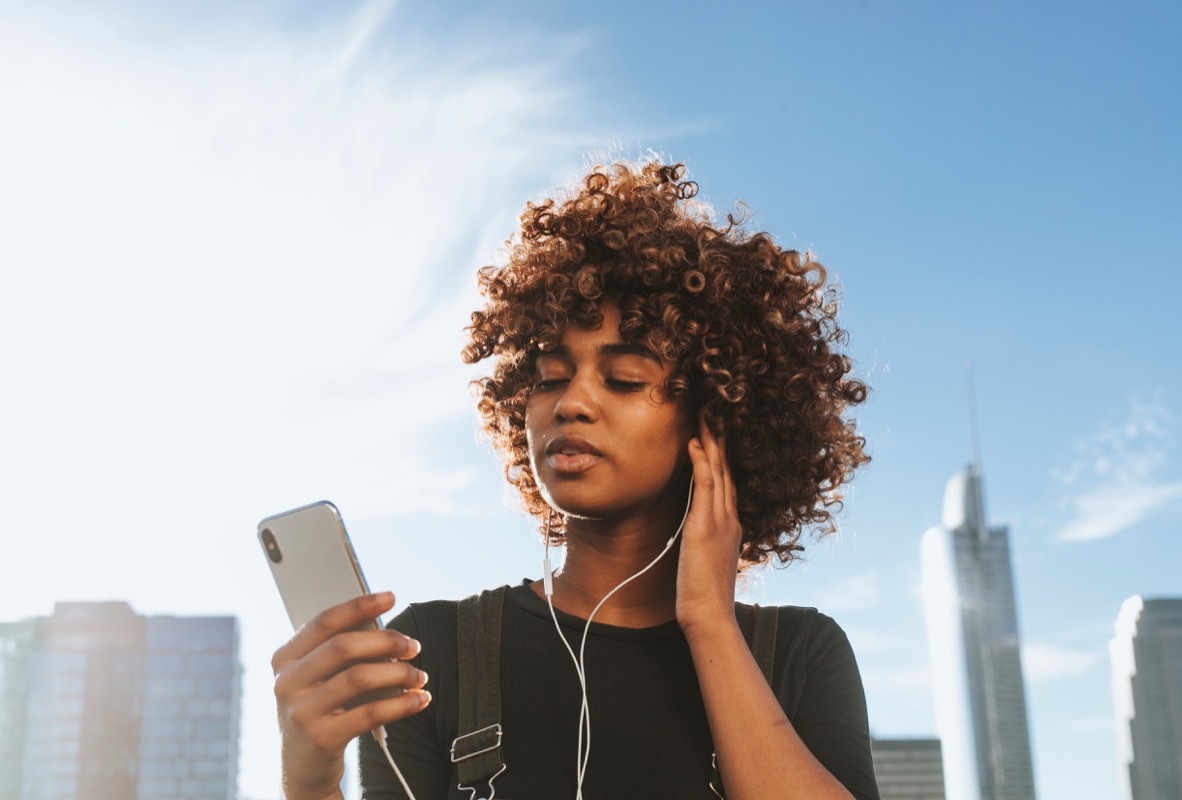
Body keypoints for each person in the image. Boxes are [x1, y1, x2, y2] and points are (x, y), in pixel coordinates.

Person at [271, 161, 879, 800]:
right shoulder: (436, 651)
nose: (572, 403)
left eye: (623, 380)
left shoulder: (799, 655)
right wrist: (310, 781)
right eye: (551, 377)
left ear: (714, 421)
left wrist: (709, 620)